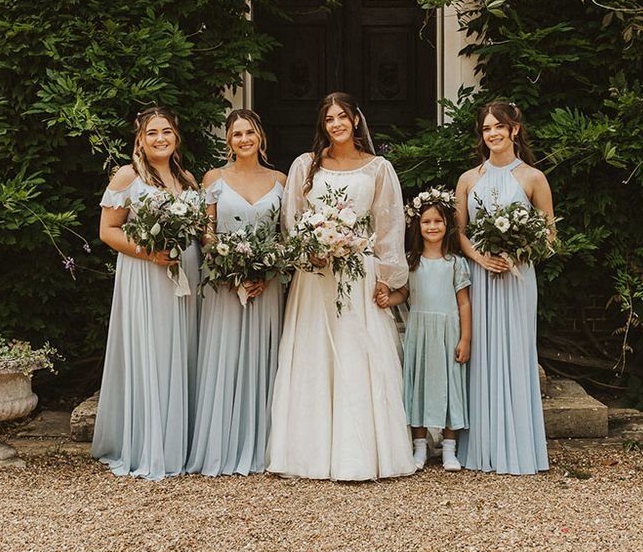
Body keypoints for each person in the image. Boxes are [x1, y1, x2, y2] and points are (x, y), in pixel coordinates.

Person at [266, 91, 416, 481]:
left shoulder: (378, 168)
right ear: (323, 125)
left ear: (355, 120)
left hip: (357, 271)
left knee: (356, 352)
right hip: (315, 276)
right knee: (315, 354)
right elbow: (292, 219)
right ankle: (310, 453)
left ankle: (359, 454)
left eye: (342, 117)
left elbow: (388, 226)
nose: (336, 124)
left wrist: (387, 280)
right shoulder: (306, 165)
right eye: (329, 119)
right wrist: (309, 250)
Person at [92, 106, 200, 480]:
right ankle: (148, 445)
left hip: (183, 272)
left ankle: (178, 443)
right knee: (151, 350)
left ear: (176, 136)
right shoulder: (128, 176)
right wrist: (150, 253)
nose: (160, 139)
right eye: (152, 133)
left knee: (179, 348)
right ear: (140, 138)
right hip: (145, 274)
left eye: (167, 132)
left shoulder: (186, 178)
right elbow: (108, 231)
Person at [455, 101, 554, 475]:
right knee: (481, 354)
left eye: (498, 127)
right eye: (486, 129)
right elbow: (460, 232)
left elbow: (549, 233)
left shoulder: (532, 177)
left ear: (514, 130)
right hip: (480, 277)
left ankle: (519, 448)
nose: (492, 134)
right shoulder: (468, 179)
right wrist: (481, 259)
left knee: (514, 352)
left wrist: (518, 253)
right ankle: (481, 447)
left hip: (516, 278)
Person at [186, 110, 287, 476]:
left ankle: (261, 445)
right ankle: (221, 446)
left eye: (249, 132)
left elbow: (284, 236)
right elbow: (206, 232)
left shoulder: (280, 180)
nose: (244, 139)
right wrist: (227, 271)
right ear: (228, 141)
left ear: (260, 136)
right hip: (223, 285)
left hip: (266, 286)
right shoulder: (214, 178)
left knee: (264, 357)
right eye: (236, 134)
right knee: (224, 356)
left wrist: (267, 271)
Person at [377, 190, 472, 471]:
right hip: (420, 330)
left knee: (449, 386)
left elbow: (464, 303)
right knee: (417, 385)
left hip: (448, 331)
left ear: (447, 225)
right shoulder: (411, 261)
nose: (432, 227)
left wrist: (466, 338)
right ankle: (419, 447)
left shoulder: (455, 263)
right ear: (417, 226)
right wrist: (387, 299)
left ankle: (449, 448)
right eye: (426, 222)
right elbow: (403, 293)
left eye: (438, 221)